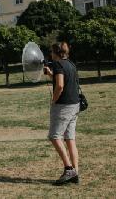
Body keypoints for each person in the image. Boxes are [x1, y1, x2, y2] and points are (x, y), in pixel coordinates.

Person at [44, 41, 80, 186]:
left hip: (63, 106)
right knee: (70, 138)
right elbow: (62, 79)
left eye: (51, 52)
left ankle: (68, 169)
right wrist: (51, 74)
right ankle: (75, 172)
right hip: (74, 105)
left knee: (54, 136)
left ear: (56, 53)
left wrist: (54, 100)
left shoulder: (58, 64)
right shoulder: (70, 64)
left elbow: (59, 85)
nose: (50, 55)